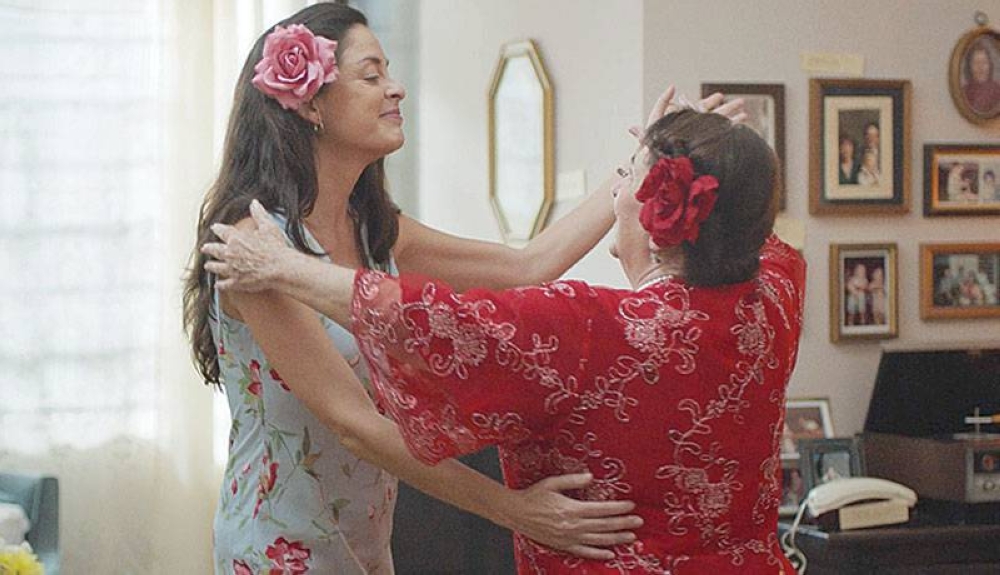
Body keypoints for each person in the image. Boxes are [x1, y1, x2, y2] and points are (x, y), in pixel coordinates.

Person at [182, 4, 744, 573]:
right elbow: (353, 424)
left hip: (367, 542)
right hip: (276, 547)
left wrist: (642, 163)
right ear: (309, 104)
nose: (396, 88)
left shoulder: (374, 229)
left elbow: (529, 265)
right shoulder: (254, 247)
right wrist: (514, 510)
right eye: (371, 75)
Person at [963, 41, 1000, 114]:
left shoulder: (998, 90)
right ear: (969, 67)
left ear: (990, 65)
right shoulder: (964, 92)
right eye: (976, 63)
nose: (980, 67)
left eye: (984, 62)